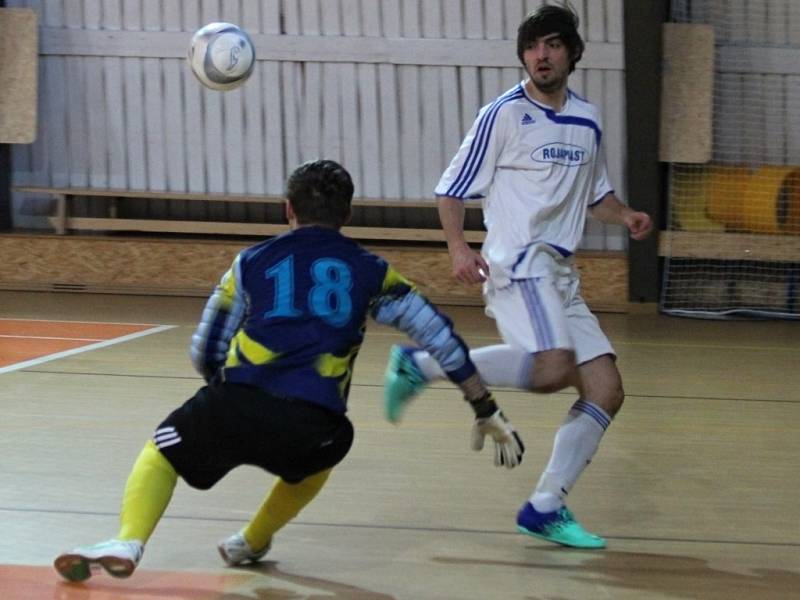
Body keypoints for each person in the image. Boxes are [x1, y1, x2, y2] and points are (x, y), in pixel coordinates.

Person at [53, 159, 524, 583]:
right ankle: (253, 540)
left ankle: (128, 540)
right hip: (315, 424)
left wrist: (223, 399)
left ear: (287, 210)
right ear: (348, 216)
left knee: (162, 452)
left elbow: (206, 347)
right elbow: (439, 337)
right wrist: (483, 404)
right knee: (320, 457)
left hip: (238, 402)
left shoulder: (251, 262)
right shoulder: (372, 270)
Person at [384, 4, 653, 549]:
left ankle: (545, 506)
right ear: (523, 56)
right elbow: (451, 188)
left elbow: (595, 194)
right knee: (554, 369)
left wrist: (624, 215)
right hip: (517, 263)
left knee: (606, 390)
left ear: (572, 52)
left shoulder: (588, 118)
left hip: (560, 273)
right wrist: (459, 246)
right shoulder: (502, 114)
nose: (541, 54)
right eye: (532, 46)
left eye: (552, 44)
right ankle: (425, 364)